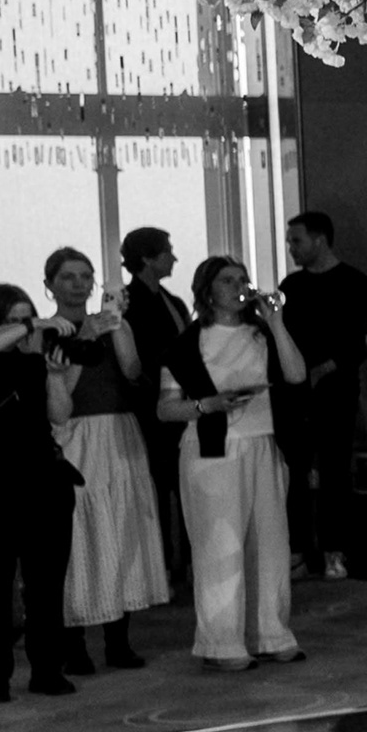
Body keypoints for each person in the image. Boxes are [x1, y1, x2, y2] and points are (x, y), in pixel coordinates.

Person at [160, 257, 305, 670]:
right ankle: (221, 642)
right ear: (207, 291)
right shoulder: (188, 343)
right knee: (220, 546)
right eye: (228, 280)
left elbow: (296, 375)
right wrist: (208, 405)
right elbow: (165, 409)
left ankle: (270, 633)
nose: (239, 286)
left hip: (262, 443)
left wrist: (276, 323)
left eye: (243, 279)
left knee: (270, 544)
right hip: (213, 449)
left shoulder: (262, 334)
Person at [0, 282, 80, 703]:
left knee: (46, 584)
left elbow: (60, 415)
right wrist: (32, 324)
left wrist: (55, 375)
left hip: (43, 478)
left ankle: (47, 669)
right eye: (12, 320)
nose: (24, 328)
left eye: (27, 317)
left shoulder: (36, 364)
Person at [44, 246, 170, 671]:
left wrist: (117, 326)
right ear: (50, 285)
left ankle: (119, 639)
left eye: (85, 276)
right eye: (68, 277)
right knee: (80, 534)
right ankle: (74, 641)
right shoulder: (47, 332)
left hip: (119, 431)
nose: (78, 284)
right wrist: (85, 336)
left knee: (121, 529)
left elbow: (132, 371)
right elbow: (59, 392)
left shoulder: (114, 323)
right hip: (76, 435)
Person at [278, 210, 367, 580]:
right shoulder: (291, 286)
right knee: (294, 472)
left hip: (337, 391)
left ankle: (336, 549)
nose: (291, 248)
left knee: (335, 471)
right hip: (295, 392)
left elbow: (361, 338)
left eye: (296, 241)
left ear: (319, 240)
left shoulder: (354, 282)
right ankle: (298, 550)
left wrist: (327, 368)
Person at [114, 226, 200, 584]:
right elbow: (137, 363)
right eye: (167, 251)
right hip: (149, 408)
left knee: (184, 486)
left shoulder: (172, 301)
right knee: (157, 487)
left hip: (179, 404)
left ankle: (187, 562)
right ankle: (161, 566)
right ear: (148, 258)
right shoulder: (129, 303)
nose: (174, 258)